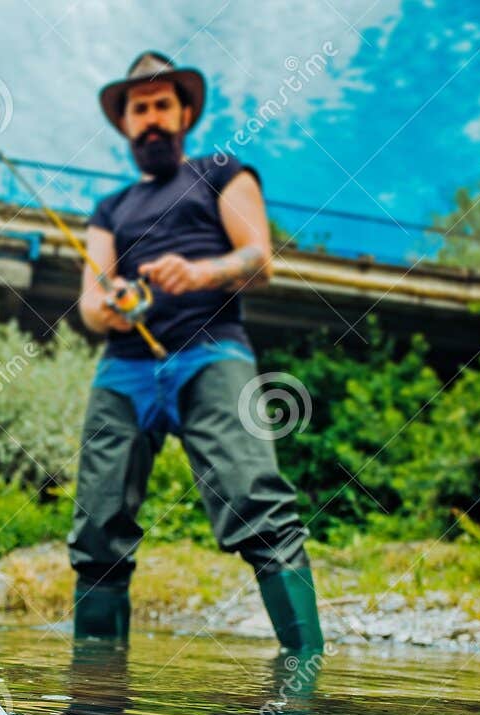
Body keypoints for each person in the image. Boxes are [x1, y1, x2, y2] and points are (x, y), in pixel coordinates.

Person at [69, 50, 323, 652]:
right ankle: (96, 699)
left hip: (213, 355)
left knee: (255, 501)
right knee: (98, 528)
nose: (151, 118)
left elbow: (258, 258)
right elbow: (89, 305)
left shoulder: (222, 172)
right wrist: (116, 301)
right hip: (124, 369)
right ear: (126, 123)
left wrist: (199, 272)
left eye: (162, 105)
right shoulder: (108, 211)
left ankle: (306, 674)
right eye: (140, 109)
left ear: (184, 113)